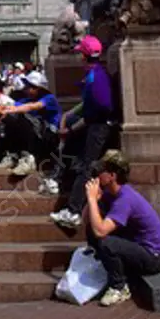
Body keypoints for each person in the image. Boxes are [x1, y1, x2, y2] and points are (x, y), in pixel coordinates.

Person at [84, 150, 160, 306]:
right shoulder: (110, 193)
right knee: (92, 229)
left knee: (107, 243)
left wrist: (93, 200)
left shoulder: (125, 199)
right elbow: (86, 221)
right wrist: (91, 200)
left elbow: (101, 231)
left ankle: (119, 288)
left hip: (153, 256)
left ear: (112, 176)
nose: (97, 175)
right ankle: (110, 269)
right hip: (137, 245)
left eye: (101, 171)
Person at [51, 36, 116, 228]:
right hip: (95, 124)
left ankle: (73, 211)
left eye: (80, 53)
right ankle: (58, 178)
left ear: (84, 56)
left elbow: (98, 108)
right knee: (76, 153)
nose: (79, 56)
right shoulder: (96, 73)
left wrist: (71, 128)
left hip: (98, 127)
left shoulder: (94, 77)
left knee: (87, 167)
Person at [0, 70, 62, 190]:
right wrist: (0, 110)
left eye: (30, 87)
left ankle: (29, 159)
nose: (26, 89)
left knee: (20, 115)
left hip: (49, 137)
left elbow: (33, 107)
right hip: (35, 135)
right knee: (9, 118)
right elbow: (11, 105)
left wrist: (9, 111)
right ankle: (13, 156)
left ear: (39, 88)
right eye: (27, 86)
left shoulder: (49, 98)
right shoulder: (26, 99)